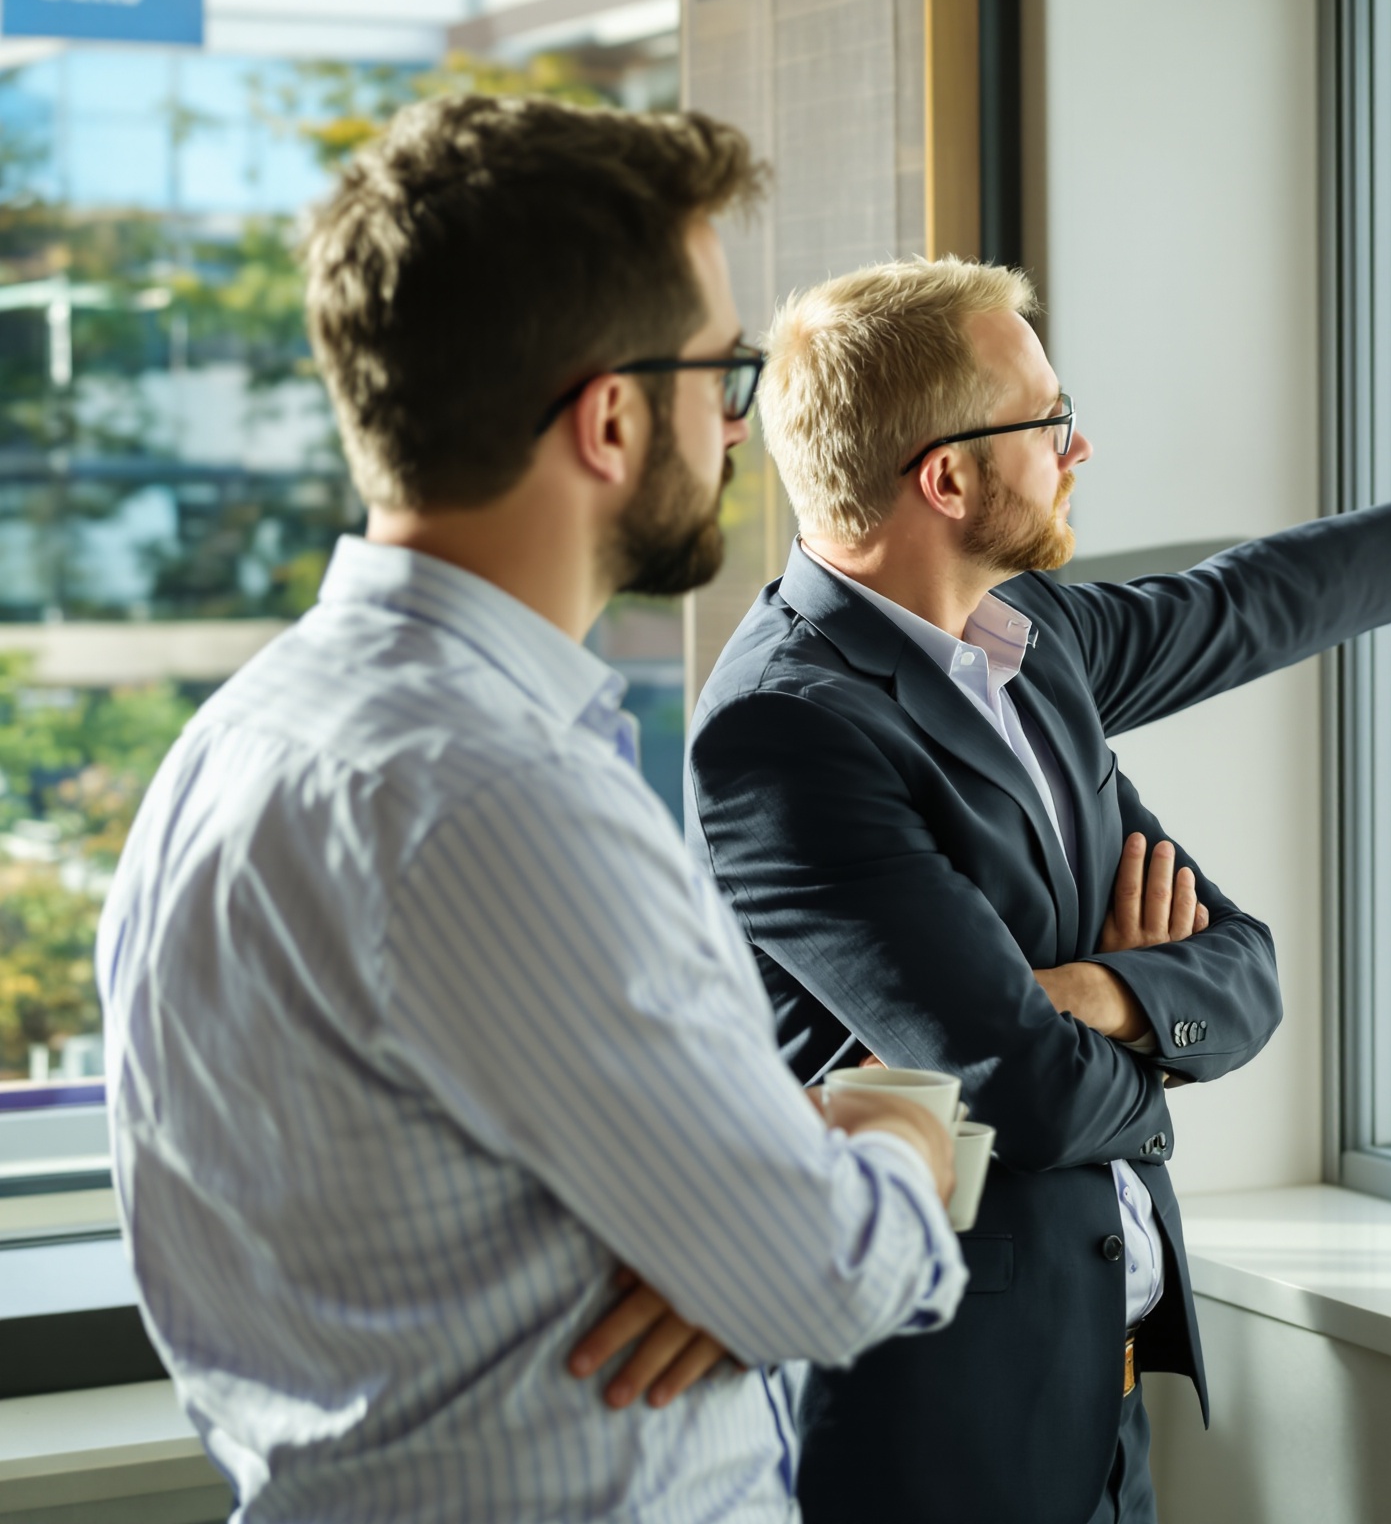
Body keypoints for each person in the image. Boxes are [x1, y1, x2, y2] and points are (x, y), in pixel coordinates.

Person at [97, 96, 973, 1523]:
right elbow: (826, 1275)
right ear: (613, 416)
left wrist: (750, 1186)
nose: (738, 422)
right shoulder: (496, 798)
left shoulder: (233, 744)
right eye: (723, 372)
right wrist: (900, 1142)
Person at [683, 256, 1391, 1522]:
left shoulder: (1026, 645)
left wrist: (1095, 990)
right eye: (1049, 421)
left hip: (1100, 1391)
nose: (1079, 447)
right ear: (949, 477)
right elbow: (1017, 1091)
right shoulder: (784, 731)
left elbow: (1240, 949)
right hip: (936, 1425)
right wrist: (1124, 1030)